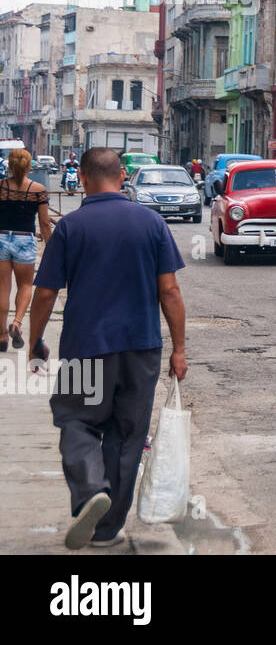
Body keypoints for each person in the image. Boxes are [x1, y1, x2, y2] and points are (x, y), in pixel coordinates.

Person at [27, 147, 188, 550]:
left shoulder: (71, 228)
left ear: (81, 179)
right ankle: (107, 530)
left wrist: (35, 343)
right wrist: (179, 349)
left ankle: (89, 490)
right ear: (122, 177)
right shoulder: (151, 223)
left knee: (75, 421)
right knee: (127, 436)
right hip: (141, 348)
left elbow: (45, 293)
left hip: (86, 348)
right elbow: (169, 291)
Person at [0, 149, 54, 352]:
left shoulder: (1, 186)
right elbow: (45, 223)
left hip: (2, 237)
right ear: (28, 166)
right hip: (25, 240)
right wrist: (51, 248)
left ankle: (2, 336)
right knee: (25, 285)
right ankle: (17, 322)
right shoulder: (38, 189)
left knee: (2, 287)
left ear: (10, 165)